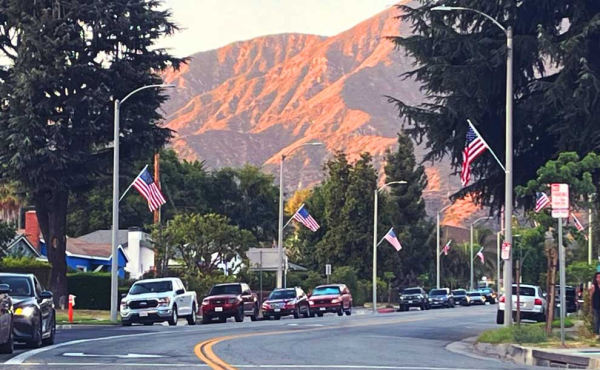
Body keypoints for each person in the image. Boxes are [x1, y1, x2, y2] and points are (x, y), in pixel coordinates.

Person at [590, 272, 600, 339]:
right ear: (596, 278)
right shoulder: (594, 286)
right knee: (596, 320)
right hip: (596, 305)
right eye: (598, 277)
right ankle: (596, 334)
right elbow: (591, 295)